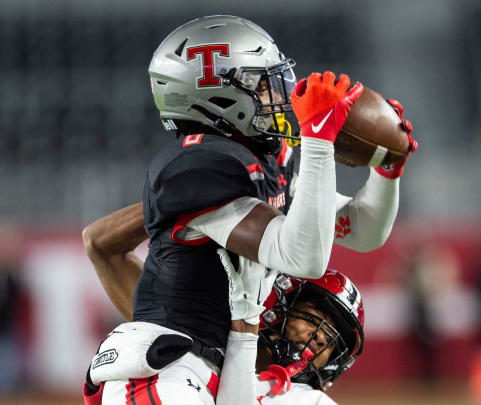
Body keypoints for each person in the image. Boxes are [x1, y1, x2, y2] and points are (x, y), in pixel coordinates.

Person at [87, 14, 415, 405]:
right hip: (169, 370)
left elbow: (363, 231)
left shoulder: (271, 158)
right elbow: (301, 256)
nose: (279, 94)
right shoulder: (200, 163)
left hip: (232, 368)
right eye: (262, 84)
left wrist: (385, 169)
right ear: (218, 95)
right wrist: (319, 139)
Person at [82, 203, 364, 405]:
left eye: (333, 340)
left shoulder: (308, 400)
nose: (320, 338)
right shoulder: (195, 332)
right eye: (316, 318)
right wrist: (184, 202)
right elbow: (100, 244)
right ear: (281, 302)